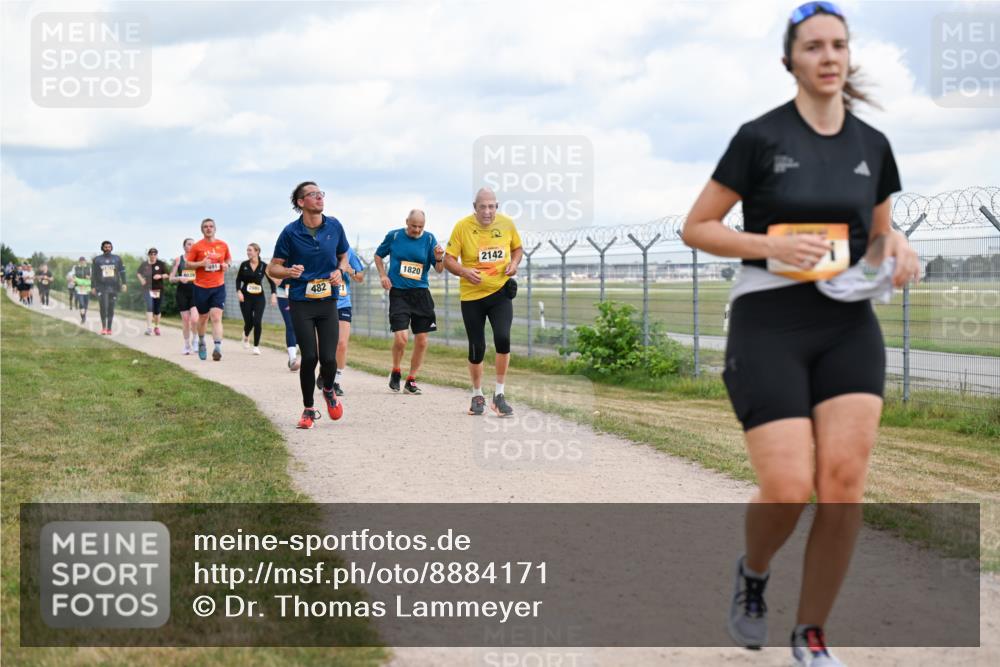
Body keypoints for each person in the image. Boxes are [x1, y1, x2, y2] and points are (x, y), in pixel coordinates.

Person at [681, 4, 921, 666]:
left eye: (838, 44)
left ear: (849, 54)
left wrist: (897, 249)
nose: (829, 56)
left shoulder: (872, 145)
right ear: (790, 61)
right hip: (768, 319)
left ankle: (811, 634)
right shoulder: (760, 137)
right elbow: (697, 227)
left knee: (843, 484)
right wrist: (770, 246)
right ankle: (754, 571)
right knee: (789, 484)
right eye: (813, 46)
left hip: (847, 323)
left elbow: (879, 233)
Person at [267, 181, 349, 429]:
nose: (320, 197)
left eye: (321, 193)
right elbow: (273, 268)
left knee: (329, 358)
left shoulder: (334, 226)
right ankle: (308, 409)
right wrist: (288, 271)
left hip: (327, 301)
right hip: (301, 301)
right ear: (301, 202)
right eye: (313, 194)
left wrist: (340, 270)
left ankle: (328, 389)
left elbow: (344, 255)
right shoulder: (290, 232)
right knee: (310, 356)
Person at [444, 187, 522, 417]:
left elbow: (517, 249)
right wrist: (464, 271)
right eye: (482, 207)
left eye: (491, 207)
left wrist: (514, 263)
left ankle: (499, 395)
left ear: (496, 206)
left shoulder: (507, 224)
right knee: (477, 347)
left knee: (503, 338)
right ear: (474, 207)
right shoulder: (462, 227)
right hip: (472, 296)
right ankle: (477, 394)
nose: (487, 212)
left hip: (500, 292)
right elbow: (448, 260)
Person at [374, 210, 444, 395]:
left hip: (421, 294)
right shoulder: (394, 236)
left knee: (422, 341)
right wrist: (383, 275)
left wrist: (439, 257)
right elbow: (378, 256)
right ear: (407, 222)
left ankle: (411, 380)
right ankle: (396, 370)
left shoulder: (429, 239)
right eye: (414, 226)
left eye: (421, 226)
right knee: (401, 338)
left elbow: (439, 269)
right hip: (399, 293)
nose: (417, 230)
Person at [185, 218, 232, 361]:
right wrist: (201, 263)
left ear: (215, 229)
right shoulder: (197, 246)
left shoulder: (223, 245)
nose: (208, 228)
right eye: (205, 226)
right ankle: (201, 341)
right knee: (203, 317)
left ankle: (217, 348)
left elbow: (228, 259)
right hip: (201, 287)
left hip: (218, 286)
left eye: (211, 226)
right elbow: (188, 264)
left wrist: (227, 265)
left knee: (216, 317)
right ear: (202, 230)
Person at [236, 243, 277, 355]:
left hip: (259, 298)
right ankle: (245, 335)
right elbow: (238, 279)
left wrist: (273, 294)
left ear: (257, 251)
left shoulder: (264, 266)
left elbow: (272, 282)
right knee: (249, 322)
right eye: (247, 250)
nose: (248, 252)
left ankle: (256, 346)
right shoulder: (244, 265)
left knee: (257, 321)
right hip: (245, 297)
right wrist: (238, 291)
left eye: (250, 250)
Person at [169, 238, 200, 354]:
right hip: (182, 293)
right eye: (189, 244)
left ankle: (195, 340)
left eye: (193, 244)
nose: (191, 246)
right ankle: (187, 345)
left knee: (195, 319)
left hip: (195, 292)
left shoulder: (198, 260)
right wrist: (179, 278)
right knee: (186, 320)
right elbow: (171, 278)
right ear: (184, 246)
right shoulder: (178, 260)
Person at [91, 241, 127, 334]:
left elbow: (122, 272)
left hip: (114, 286)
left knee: (111, 308)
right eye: (105, 247)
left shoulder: (117, 258)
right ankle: (104, 328)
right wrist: (93, 287)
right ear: (102, 248)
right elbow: (93, 274)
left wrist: (124, 283)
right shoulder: (97, 260)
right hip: (102, 287)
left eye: (109, 247)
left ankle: (109, 328)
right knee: (103, 307)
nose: (107, 248)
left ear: (111, 248)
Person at [136, 248, 169, 336]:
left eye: (155, 254)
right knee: (149, 307)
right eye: (151, 254)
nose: (153, 256)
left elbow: (167, 274)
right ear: (149, 255)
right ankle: (149, 328)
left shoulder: (161, 264)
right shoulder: (144, 264)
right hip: (147, 289)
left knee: (157, 310)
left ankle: (156, 327)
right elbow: (138, 273)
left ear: (157, 255)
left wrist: (160, 276)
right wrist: (141, 279)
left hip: (158, 289)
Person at [274, 276, 301, 371]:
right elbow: (268, 270)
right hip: (283, 294)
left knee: (300, 326)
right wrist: (274, 279)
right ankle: (293, 358)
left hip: (300, 292)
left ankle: (293, 353)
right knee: (290, 325)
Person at [72, 257, 92, 323]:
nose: (82, 263)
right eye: (81, 261)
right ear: (79, 262)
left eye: (83, 261)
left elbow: (93, 277)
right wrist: (74, 280)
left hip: (87, 289)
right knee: (81, 303)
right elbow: (73, 276)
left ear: (85, 261)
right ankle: (83, 318)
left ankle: (84, 315)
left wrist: (89, 277)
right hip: (79, 289)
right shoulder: (75, 268)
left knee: (86, 304)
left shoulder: (89, 268)